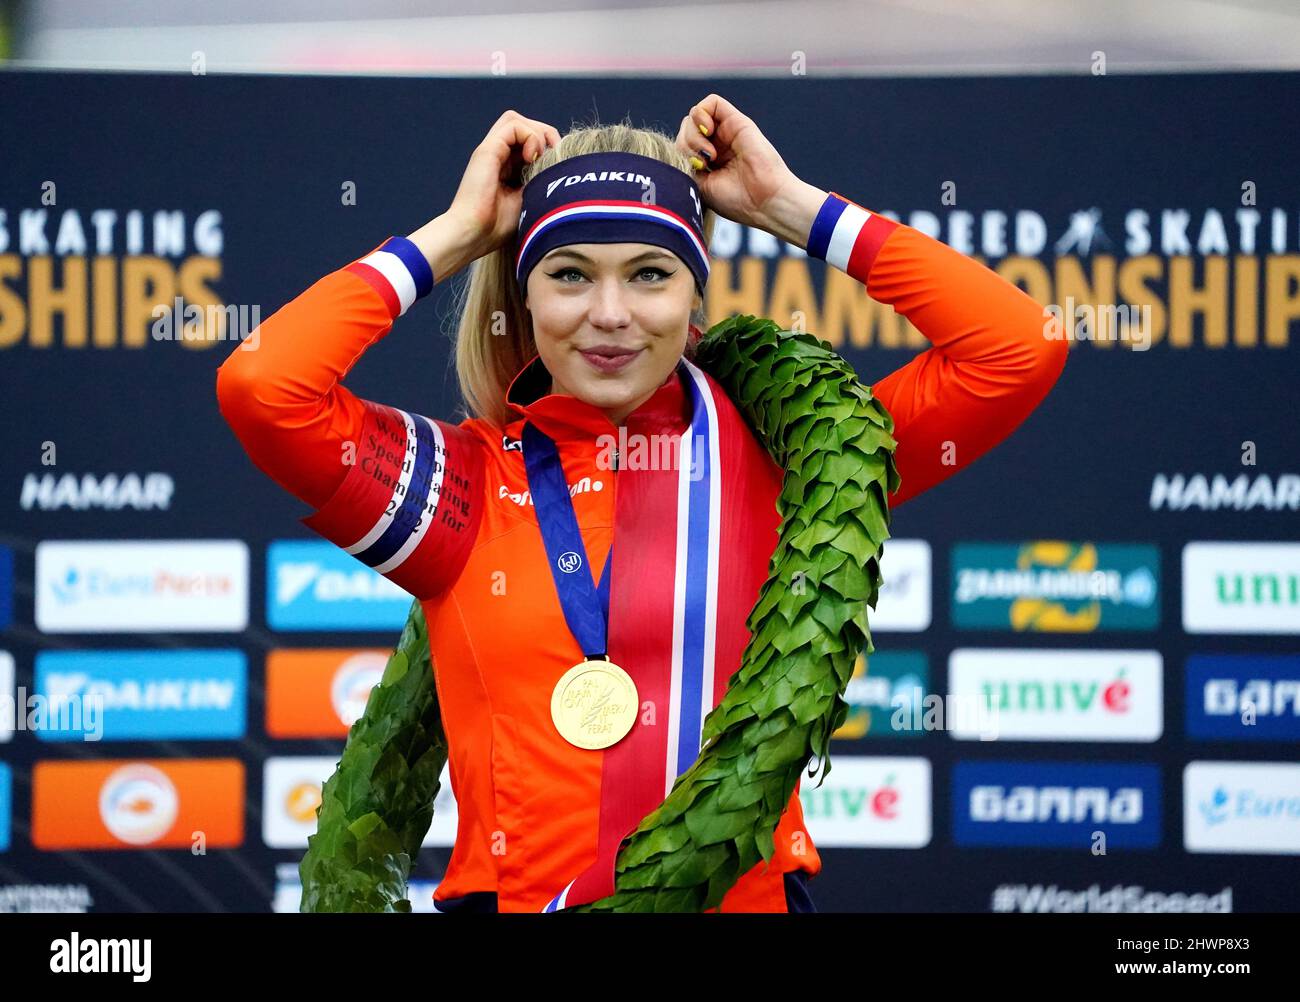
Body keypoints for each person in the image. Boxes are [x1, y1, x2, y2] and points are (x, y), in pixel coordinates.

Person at [216, 95, 1068, 913]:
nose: (611, 315)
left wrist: (791, 206)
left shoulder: (792, 463)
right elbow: (264, 386)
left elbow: (1017, 347)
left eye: (651, 273)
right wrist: (457, 236)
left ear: (695, 290)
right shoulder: (460, 486)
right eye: (570, 275)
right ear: (524, 293)